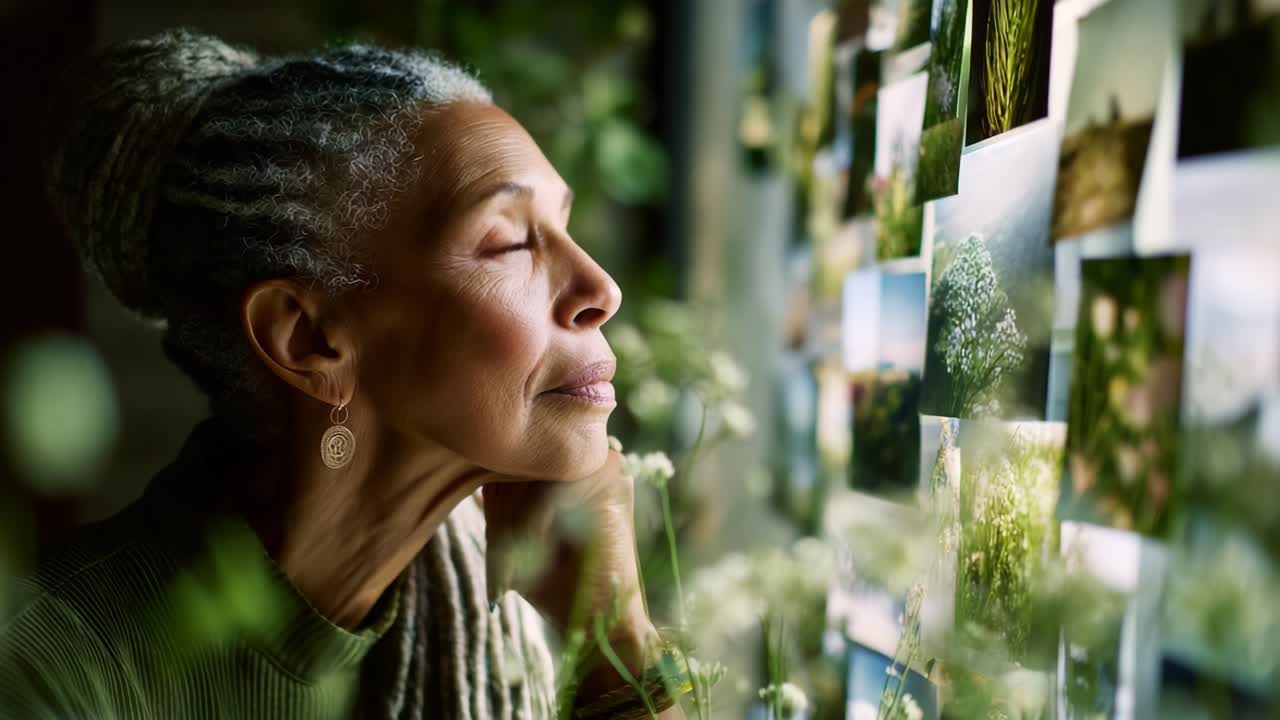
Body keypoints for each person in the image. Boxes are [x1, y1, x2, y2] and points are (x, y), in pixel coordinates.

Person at [0, 28, 683, 720]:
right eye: (507, 242)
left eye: (565, 227)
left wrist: (613, 636)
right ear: (308, 338)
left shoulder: (512, 618)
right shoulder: (48, 677)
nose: (601, 287)